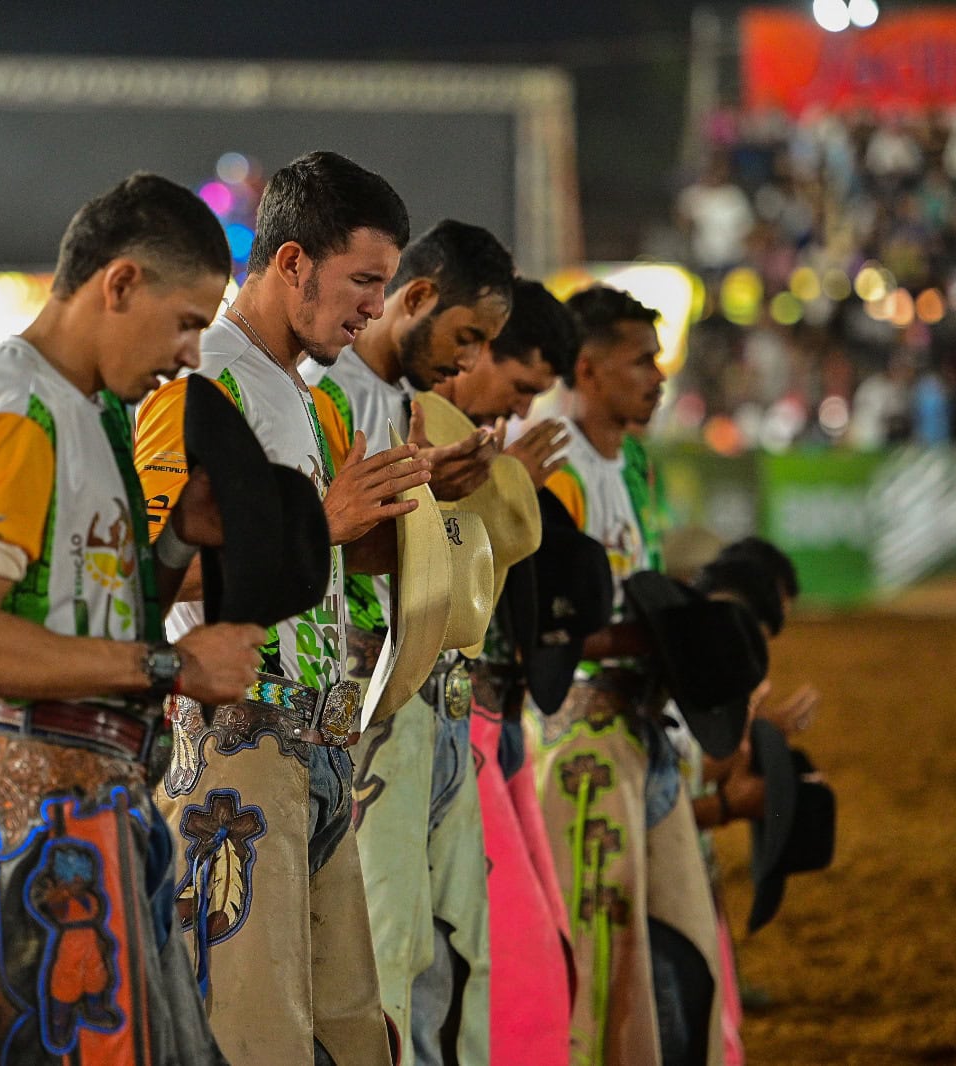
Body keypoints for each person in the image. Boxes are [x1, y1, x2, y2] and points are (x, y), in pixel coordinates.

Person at [0, 173, 266, 1065]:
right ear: (120, 284)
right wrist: (172, 669)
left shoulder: (90, 411)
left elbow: (103, 607)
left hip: (90, 798)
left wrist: (181, 538)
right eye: (185, 322)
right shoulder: (15, 409)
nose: (190, 355)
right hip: (41, 808)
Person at [134, 149, 422, 1066]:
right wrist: (324, 524)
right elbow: (146, 571)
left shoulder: (315, 399)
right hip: (235, 749)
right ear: (293, 262)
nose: (377, 306)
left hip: (320, 753)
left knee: (348, 1037)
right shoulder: (197, 384)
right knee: (254, 1038)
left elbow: (325, 563)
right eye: (364, 280)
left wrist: (414, 517)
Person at [304, 218, 515, 1066]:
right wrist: (425, 490)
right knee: (389, 945)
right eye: (466, 336)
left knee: (438, 945)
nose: (469, 364)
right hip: (370, 700)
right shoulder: (328, 387)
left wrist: (436, 487)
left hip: (424, 692)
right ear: (417, 296)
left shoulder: (391, 399)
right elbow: (326, 549)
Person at [525, 284, 726, 1065]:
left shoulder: (635, 460)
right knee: (605, 956)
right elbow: (544, 630)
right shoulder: (552, 467)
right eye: (641, 361)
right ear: (587, 368)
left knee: (683, 948)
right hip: (583, 739)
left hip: (643, 731)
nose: (658, 377)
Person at [432, 278, 579, 1066]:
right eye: (519, 387)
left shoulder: (469, 440)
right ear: (478, 348)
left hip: (491, 721)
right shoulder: (426, 431)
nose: (520, 410)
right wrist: (504, 484)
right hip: (451, 725)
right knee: (504, 957)